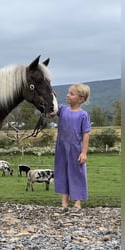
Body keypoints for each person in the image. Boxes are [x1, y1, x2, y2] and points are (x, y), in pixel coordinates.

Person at [54, 83, 91, 212]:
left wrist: (84, 152)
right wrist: (52, 97)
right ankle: (64, 202)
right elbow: (53, 109)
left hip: (76, 149)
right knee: (62, 172)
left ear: (80, 99)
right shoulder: (63, 109)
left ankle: (77, 202)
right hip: (61, 148)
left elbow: (86, 134)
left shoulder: (83, 115)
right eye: (68, 93)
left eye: (71, 94)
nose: (68, 95)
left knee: (77, 174)